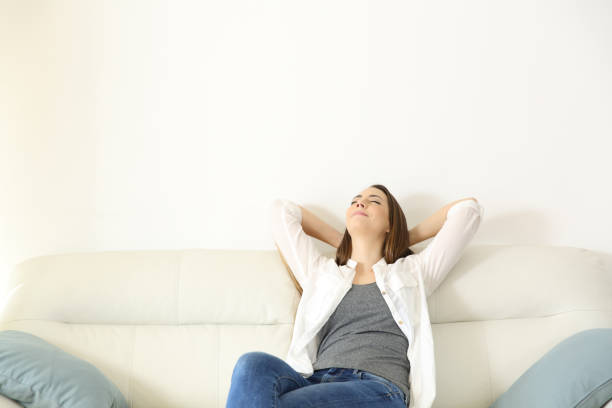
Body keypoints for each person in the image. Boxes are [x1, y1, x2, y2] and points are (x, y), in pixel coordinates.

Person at [226, 184, 484, 408]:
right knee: (251, 366)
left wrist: (402, 237)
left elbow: (467, 211)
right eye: (355, 201)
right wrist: (342, 240)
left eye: (374, 201)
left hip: (379, 390)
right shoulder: (321, 274)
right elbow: (281, 211)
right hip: (313, 382)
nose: (361, 202)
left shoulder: (413, 272)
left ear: (389, 223)